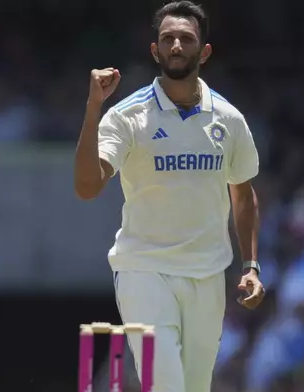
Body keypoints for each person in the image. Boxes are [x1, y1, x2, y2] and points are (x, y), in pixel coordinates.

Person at [73, 2, 264, 391]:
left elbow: (243, 194)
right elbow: (87, 187)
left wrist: (251, 266)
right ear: (155, 51)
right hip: (144, 271)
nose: (176, 45)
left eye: (186, 38)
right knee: (166, 386)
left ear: (204, 52)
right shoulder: (126, 116)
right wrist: (94, 107)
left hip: (208, 275)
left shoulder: (229, 119)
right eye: (167, 39)